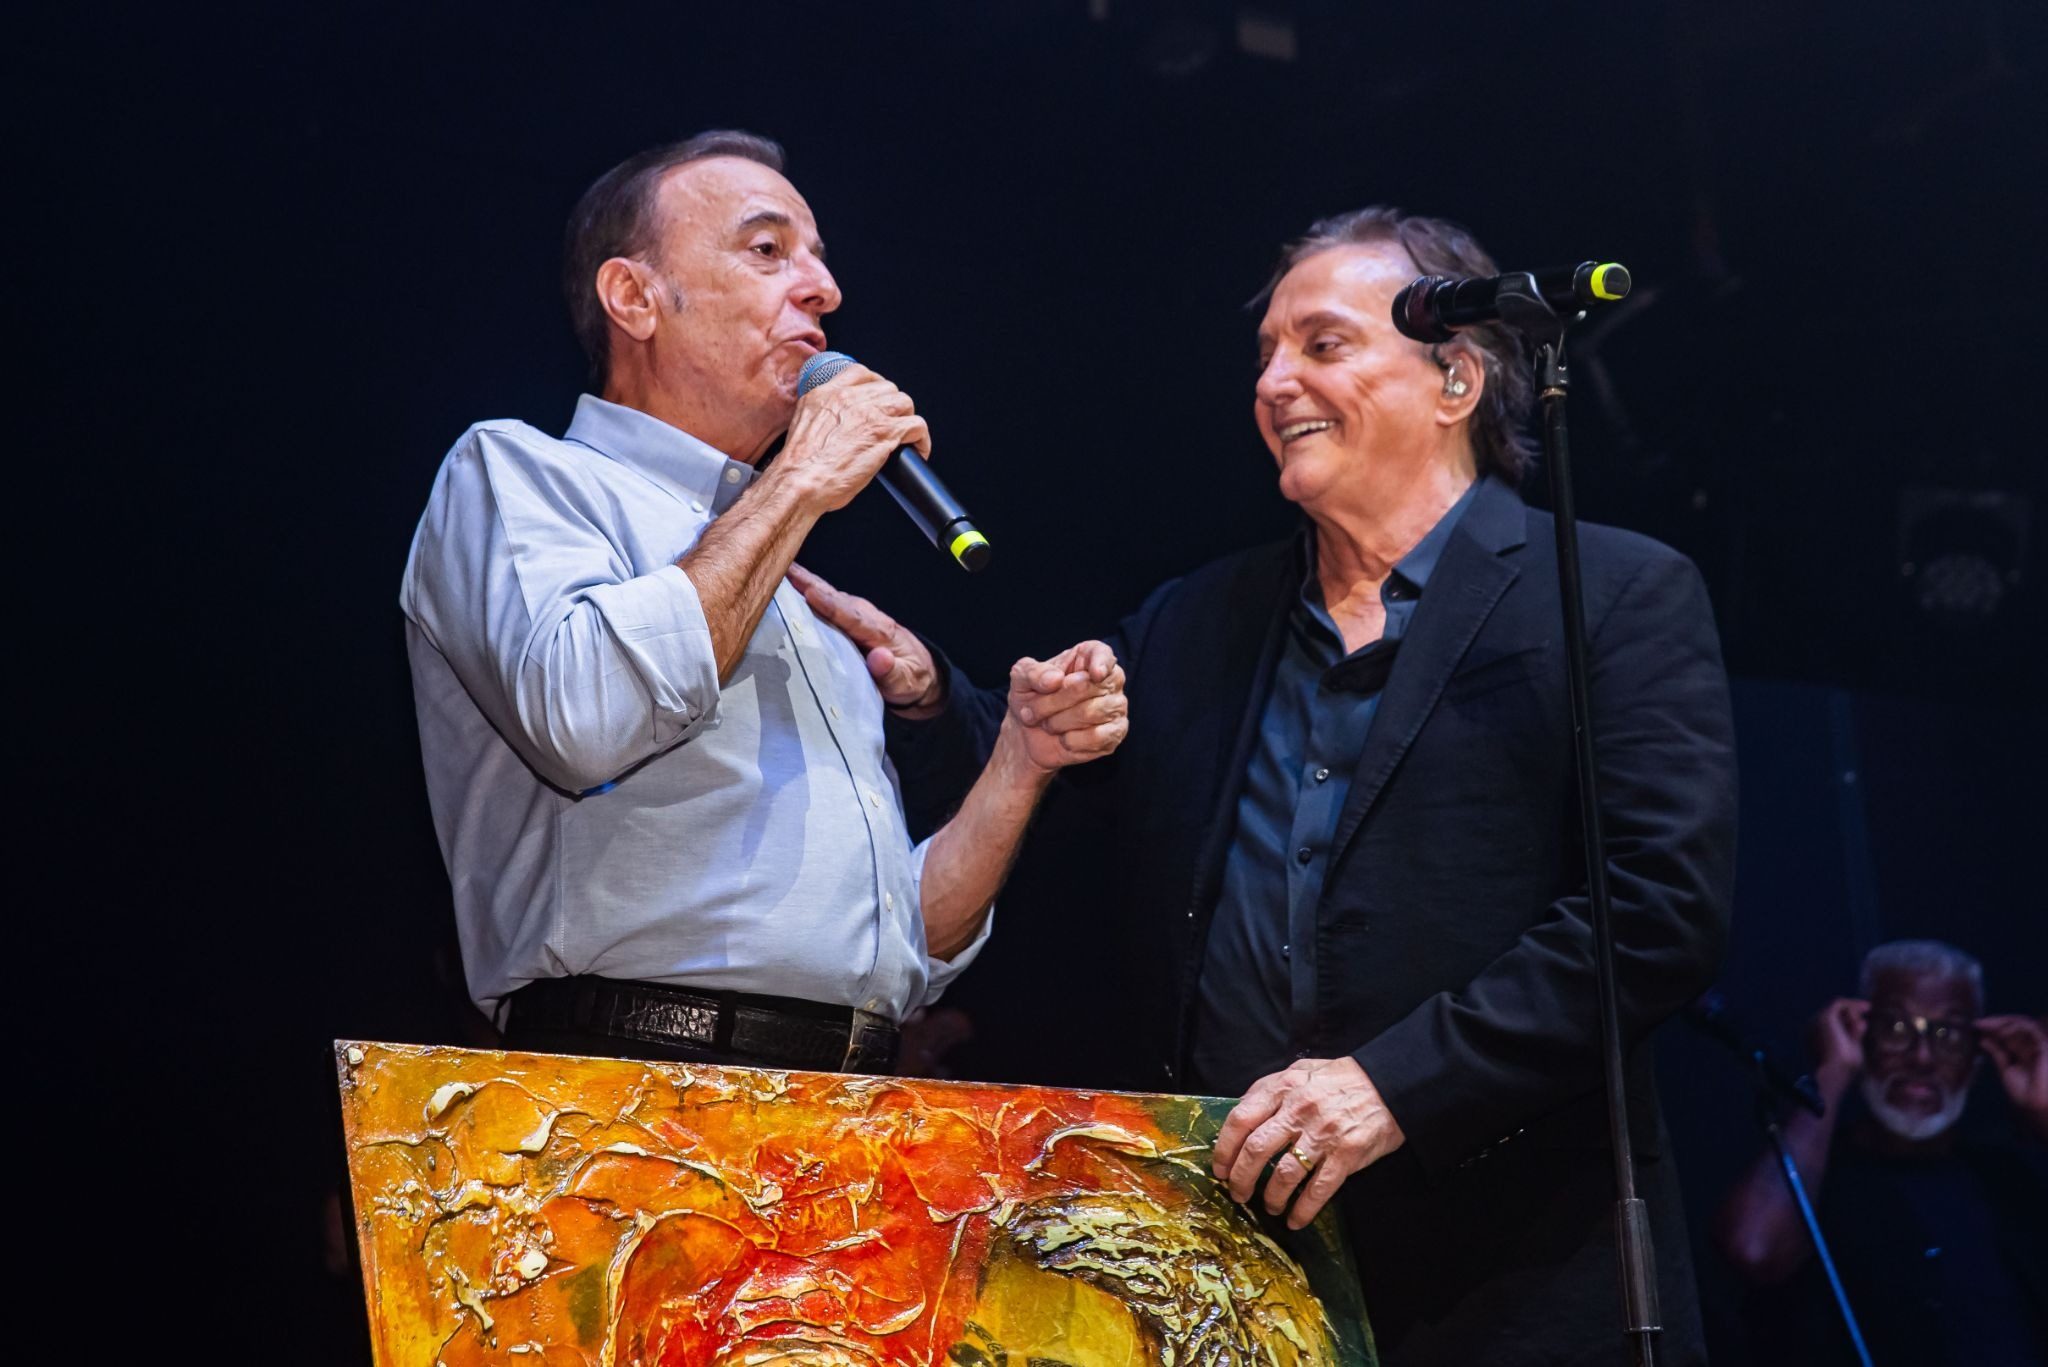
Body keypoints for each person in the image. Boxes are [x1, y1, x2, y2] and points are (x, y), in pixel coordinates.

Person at [795, 206, 1737, 1364]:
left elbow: (1654, 912)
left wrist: (1394, 1083)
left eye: (1321, 344)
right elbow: (1044, 779)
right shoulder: (1200, 618)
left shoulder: (1606, 590)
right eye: (1266, 353)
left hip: (1515, 1267)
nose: (1273, 381)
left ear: (1454, 379)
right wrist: (931, 696)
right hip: (1236, 1270)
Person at [399, 130, 1128, 1075]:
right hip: (628, 1084)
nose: (824, 289)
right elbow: (584, 716)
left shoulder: (791, 586)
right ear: (634, 297)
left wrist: (1021, 762)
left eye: (818, 258)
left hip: (844, 1102)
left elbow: (902, 950)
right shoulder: (518, 475)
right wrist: (800, 482)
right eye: (768, 249)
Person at [1715, 940, 2047, 1365]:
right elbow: (1753, 1249)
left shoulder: (2010, 1178)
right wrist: (1830, 1073)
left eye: (1947, 1034)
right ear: (1862, 1037)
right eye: (1896, 1028)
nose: (1922, 1057)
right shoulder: (1822, 1178)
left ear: (1975, 1058)